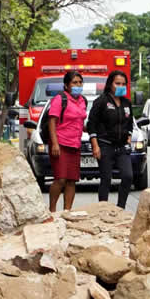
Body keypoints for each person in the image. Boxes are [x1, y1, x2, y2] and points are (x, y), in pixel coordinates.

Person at [88, 70, 135, 209]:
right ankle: (103, 209)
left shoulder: (126, 103)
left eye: (123, 84)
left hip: (121, 147)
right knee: (106, 179)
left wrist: (129, 137)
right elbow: (92, 124)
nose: (120, 86)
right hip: (104, 145)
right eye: (117, 83)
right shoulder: (101, 101)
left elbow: (130, 122)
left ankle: (121, 208)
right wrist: (95, 146)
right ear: (110, 84)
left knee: (128, 176)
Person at [47, 71, 87, 212]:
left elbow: (80, 121)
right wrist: (55, 143)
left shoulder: (82, 101)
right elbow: (52, 121)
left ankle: (67, 211)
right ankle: (52, 211)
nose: (78, 85)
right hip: (60, 143)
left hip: (75, 144)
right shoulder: (60, 99)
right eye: (74, 83)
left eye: (80, 82)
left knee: (71, 180)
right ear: (66, 85)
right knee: (60, 179)